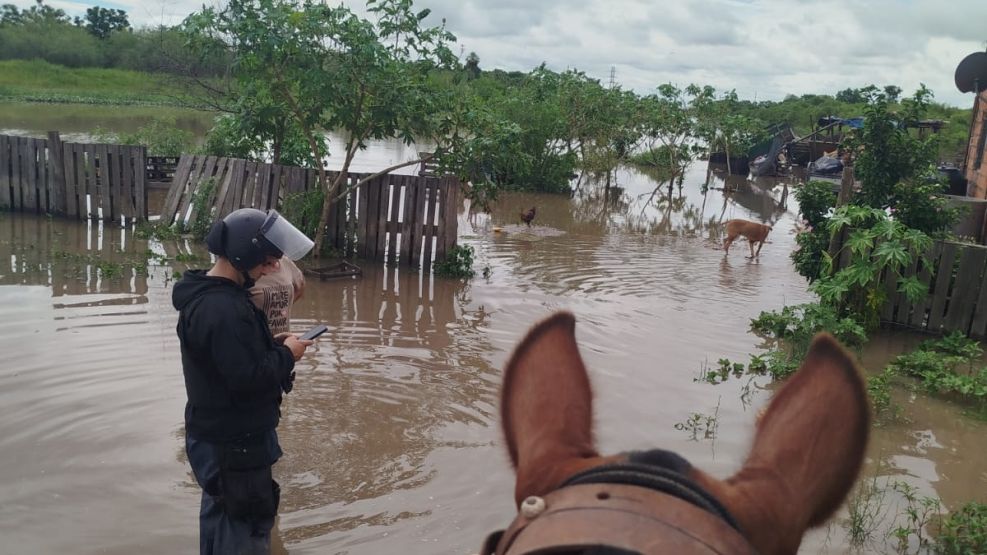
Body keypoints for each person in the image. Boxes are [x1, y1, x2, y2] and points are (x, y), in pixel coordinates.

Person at [172, 208, 315, 554]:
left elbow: (231, 365)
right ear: (243, 254)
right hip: (233, 445)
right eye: (266, 262)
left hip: (228, 439)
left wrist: (273, 346)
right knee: (238, 533)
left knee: (228, 524)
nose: (271, 270)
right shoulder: (223, 309)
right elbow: (246, 379)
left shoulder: (218, 300)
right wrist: (287, 356)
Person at [250, 256, 305, 336]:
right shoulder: (248, 265)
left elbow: (300, 285)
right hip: (255, 342)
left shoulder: (285, 262)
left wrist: (283, 306)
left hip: (285, 342)